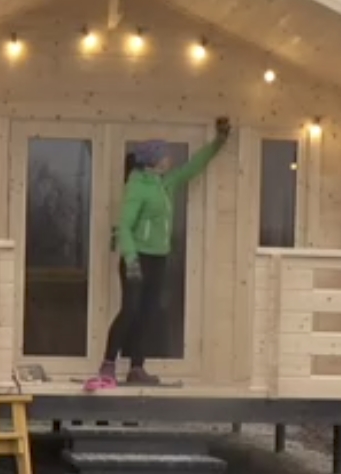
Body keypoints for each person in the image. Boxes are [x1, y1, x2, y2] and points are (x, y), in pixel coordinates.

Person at [87, 117, 232, 390]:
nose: (170, 158)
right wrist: (130, 259)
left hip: (158, 258)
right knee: (130, 309)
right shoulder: (137, 186)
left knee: (148, 312)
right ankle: (107, 364)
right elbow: (125, 226)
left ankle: (137, 368)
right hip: (137, 258)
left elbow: (194, 166)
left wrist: (219, 142)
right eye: (165, 155)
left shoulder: (166, 183)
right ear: (153, 160)